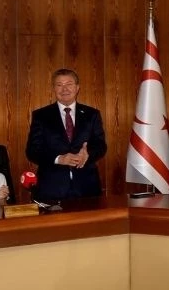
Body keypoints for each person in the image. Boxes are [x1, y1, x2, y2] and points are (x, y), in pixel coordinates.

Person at [25, 68, 107, 201]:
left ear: (77, 88)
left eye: (69, 84)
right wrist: (59, 159)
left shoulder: (92, 114)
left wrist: (88, 154)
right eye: (59, 85)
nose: (64, 89)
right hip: (51, 188)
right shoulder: (41, 116)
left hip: (86, 186)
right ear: (54, 88)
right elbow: (32, 151)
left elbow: (100, 146)